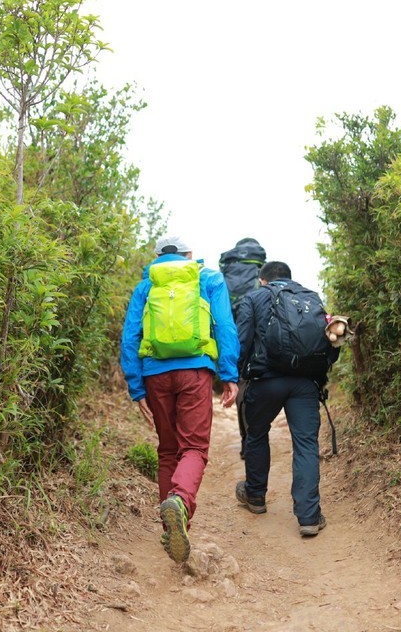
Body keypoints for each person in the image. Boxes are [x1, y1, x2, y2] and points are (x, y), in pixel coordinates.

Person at [120, 234, 240, 563]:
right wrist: (229, 374)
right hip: (194, 371)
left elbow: (130, 336)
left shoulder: (146, 286)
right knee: (195, 448)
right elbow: (225, 326)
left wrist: (136, 386)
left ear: (157, 256)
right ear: (189, 254)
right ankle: (181, 503)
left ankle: (168, 526)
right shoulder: (208, 278)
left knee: (168, 450)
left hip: (154, 374)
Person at [233, 260, 340, 537]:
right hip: (305, 383)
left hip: (265, 381)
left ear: (263, 280)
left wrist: (234, 377)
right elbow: (328, 341)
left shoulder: (254, 297)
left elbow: (242, 341)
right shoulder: (310, 297)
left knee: (256, 434)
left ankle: (255, 496)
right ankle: (309, 517)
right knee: (305, 444)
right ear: (290, 279)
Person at [218, 237, 267, 457]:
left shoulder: (226, 272)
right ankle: (256, 436)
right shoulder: (259, 270)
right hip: (257, 337)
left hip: (231, 336)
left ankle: (246, 440)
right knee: (256, 385)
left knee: (241, 387)